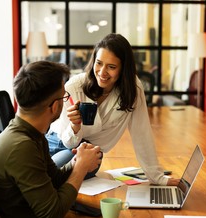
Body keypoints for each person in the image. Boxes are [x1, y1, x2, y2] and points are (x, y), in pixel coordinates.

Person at [0, 61, 102, 218]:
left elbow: (53, 178)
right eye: (64, 97)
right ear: (55, 106)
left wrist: (77, 161)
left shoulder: (31, 133)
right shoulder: (21, 146)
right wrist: (81, 168)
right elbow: (53, 214)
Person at [46, 33, 179, 186]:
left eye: (111, 67)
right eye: (99, 63)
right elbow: (68, 142)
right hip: (59, 142)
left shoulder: (132, 90)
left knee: (51, 179)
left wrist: (158, 178)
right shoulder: (74, 87)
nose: (102, 72)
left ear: (123, 69)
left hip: (91, 154)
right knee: (43, 177)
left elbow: (141, 133)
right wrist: (75, 126)